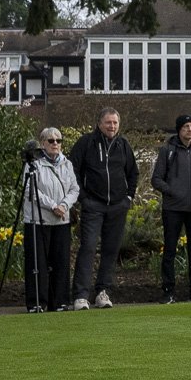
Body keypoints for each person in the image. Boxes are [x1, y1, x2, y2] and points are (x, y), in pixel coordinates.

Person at [69, 107, 135, 309]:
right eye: (108, 122)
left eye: (115, 123)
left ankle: (102, 292)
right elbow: (73, 171)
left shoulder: (123, 145)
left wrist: (128, 198)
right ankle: (81, 295)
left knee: (110, 250)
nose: (112, 126)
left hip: (117, 206)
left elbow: (133, 173)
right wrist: (83, 198)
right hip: (93, 205)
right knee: (88, 247)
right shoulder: (86, 143)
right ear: (99, 124)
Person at [152, 115, 191, 302]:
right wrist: (172, 191)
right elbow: (156, 179)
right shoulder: (167, 150)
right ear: (179, 130)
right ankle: (168, 292)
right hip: (173, 209)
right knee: (169, 250)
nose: (190, 130)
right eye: (186, 127)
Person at [22, 128, 78, 312]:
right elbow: (30, 190)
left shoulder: (67, 164)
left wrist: (63, 205)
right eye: (51, 140)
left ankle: (60, 301)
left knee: (61, 262)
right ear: (43, 143)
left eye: (58, 140)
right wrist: (52, 205)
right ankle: (37, 302)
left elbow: (74, 189)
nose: (55, 144)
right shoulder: (34, 165)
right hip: (38, 221)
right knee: (37, 263)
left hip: (61, 220)